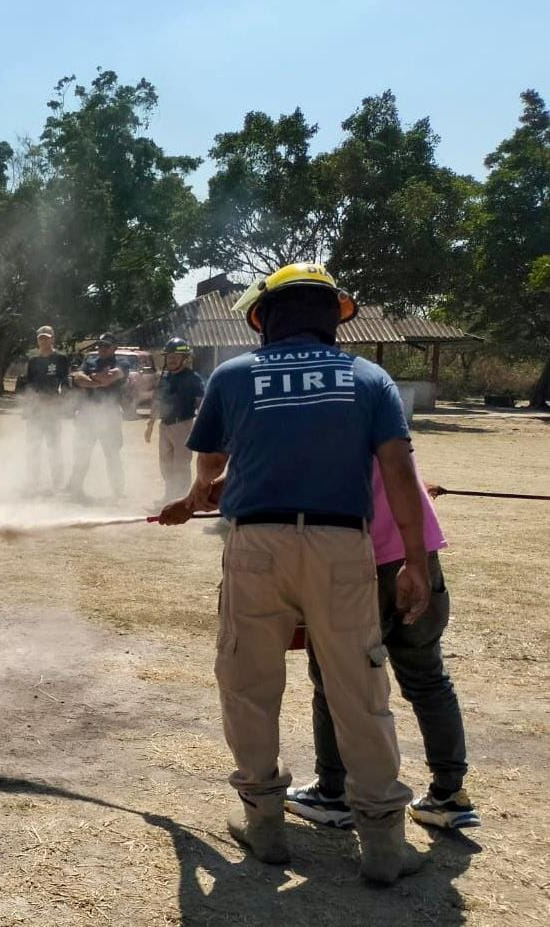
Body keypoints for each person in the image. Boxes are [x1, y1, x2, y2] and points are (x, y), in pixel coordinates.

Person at [158, 262, 431, 885]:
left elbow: (211, 468)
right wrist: (414, 562)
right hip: (341, 548)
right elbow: (397, 471)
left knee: (249, 680)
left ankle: (265, 825)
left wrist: (195, 496)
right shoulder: (369, 378)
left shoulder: (232, 376)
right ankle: (384, 844)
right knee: (359, 691)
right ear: (333, 318)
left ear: (265, 318)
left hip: (255, 545)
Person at [287, 459, 478, 830]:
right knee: (428, 678)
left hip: (357, 561)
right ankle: (449, 796)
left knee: (333, 679)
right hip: (417, 558)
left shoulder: (316, 409)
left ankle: (333, 793)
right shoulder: (378, 402)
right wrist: (418, 490)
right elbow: (392, 470)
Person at [66, 333, 133, 500]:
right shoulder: (90, 361)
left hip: (109, 415)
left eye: (106, 346)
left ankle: (117, 491)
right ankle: (76, 489)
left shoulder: (122, 363)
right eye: (100, 345)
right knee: (82, 453)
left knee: (112, 455)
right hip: (87, 414)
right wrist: (98, 381)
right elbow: (77, 378)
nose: (101, 348)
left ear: (114, 347)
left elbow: (110, 377)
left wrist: (92, 380)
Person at [143, 337, 204, 504]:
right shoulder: (165, 378)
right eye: (169, 356)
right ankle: (170, 494)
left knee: (181, 464)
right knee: (165, 463)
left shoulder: (194, 379)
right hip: (165, 425)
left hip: (183, 425)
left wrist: (204, 426)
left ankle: (181, 499)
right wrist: (150, 425)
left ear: (185, 359)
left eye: (176, 356)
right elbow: (157, 401)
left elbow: (201, 403)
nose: (171, 359)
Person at [22, 325, 70, 491]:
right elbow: (29, 385)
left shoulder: (61, 359)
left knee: (54, 447)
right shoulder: (33, 360)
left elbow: (65, 383)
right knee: (33, 446)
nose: (43, 341)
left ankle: (57, 482)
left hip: (52, 410)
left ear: (52, 338)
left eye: (46, 337)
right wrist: (28, 408)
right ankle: (33, 481)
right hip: (36, 410)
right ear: (37, 340)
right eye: (41, 338)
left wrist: (61, 402)